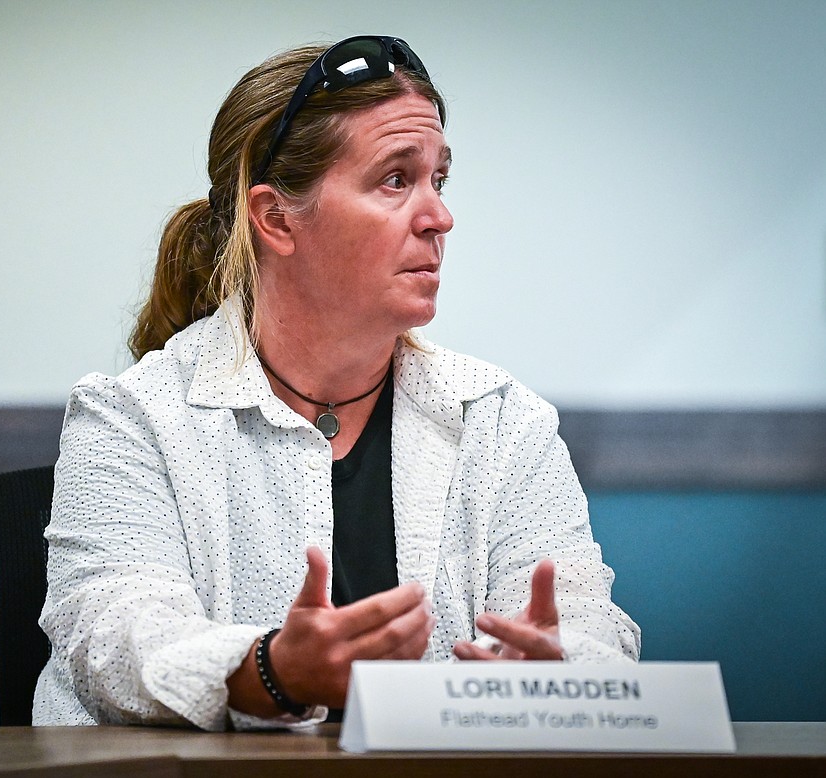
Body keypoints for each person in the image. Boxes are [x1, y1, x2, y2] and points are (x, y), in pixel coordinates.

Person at [33, 36, 640, 730]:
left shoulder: (501, 421)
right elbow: (112, 636)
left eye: (437, 180)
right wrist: (270, 671)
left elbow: (596, 630)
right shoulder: (130, 418)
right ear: (275, 218)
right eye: (394, 180)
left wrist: (555, 673)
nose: (439, 217)